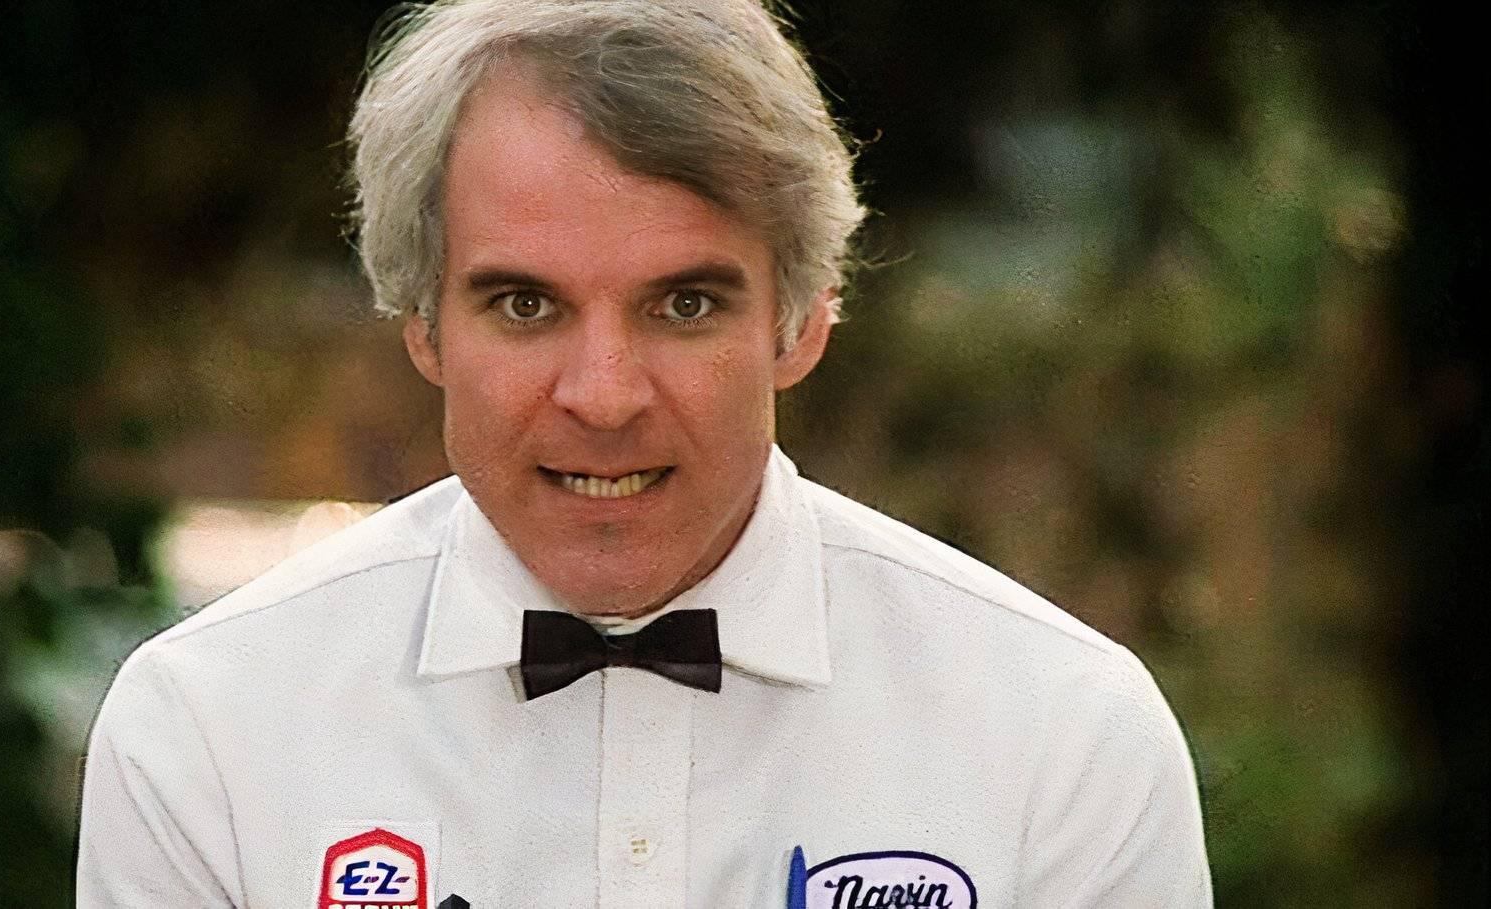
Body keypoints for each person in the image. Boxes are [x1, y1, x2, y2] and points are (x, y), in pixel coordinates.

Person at [76, 1, 1215, 906]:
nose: (605, 396)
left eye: (683, 305)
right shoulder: (209, 734)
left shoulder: (1064, 737)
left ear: (803, 319)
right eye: (526, 305)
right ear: (421, 325)